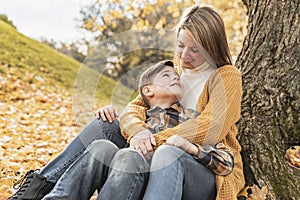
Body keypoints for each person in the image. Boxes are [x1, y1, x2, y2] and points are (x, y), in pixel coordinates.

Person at [41, 60, 234, 199]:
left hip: (170, 182)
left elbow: (226, 161)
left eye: (177, 77)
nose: (175, 78)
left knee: (134, 156)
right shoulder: (138, 122)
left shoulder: (193, 119)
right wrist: (109, 114)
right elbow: (126, 120)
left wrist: (190, 147)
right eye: (167, 76)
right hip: (130, 180)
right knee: (102, 147)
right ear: (148, 91)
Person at [118, 5, 245, 200]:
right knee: (105, 123)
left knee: (168, 154)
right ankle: (55, 189)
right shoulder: (174, 71)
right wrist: (138, 132)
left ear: (212, 47)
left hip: (208, 170)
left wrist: (153, 142)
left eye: (195, 49)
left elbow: (211, 128)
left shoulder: (227, 77)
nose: (184, 55)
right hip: (158, 154)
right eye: (180, 45)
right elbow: (136, 106)